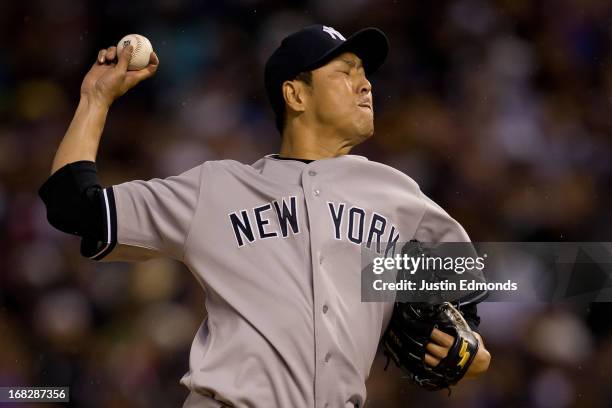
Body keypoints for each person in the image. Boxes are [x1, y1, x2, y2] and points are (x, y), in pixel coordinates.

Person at [39, 25, 490, 407]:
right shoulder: (216, 189)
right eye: (344, 73)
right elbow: (74, 207)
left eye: (364, 74)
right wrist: (95, 99)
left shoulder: (397, 195)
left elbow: (468, 291)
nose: (365, 83)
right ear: (295, 94)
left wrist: (475, 350)